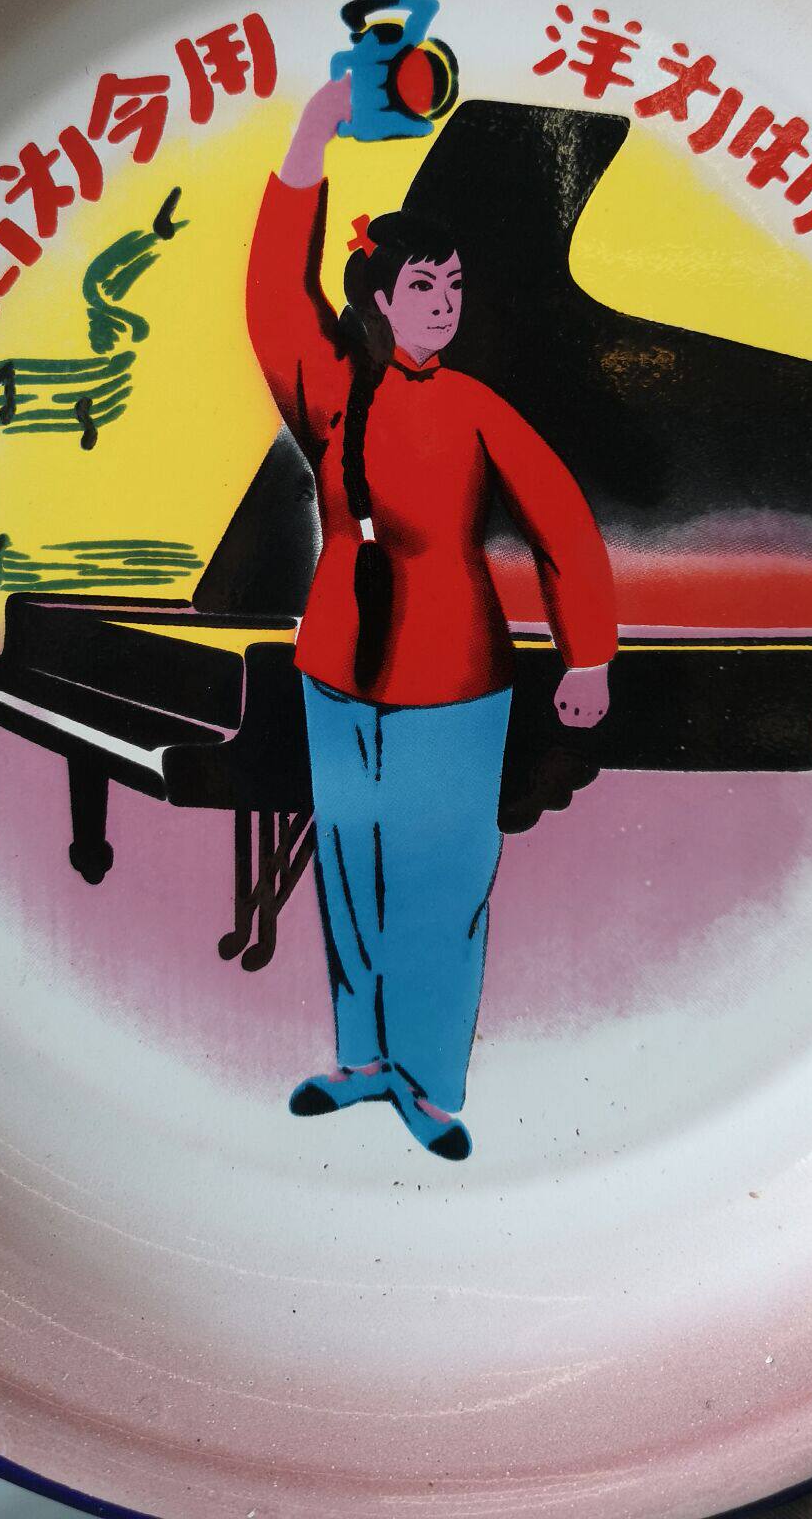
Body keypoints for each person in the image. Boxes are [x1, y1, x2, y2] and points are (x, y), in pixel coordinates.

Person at [246, 75, 616, 1160]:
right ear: (378, 299)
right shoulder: (331, 392)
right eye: (423, 285)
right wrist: (312, 134)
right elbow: (273, 295)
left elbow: (565, 528)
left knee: (443, 883)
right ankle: (362, 1061)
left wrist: (587, 655)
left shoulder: (476, 406)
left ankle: (430, 1084)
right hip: (337, 667)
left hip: (454, 680)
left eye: (454, 285)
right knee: (350, 865)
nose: (445, 302)